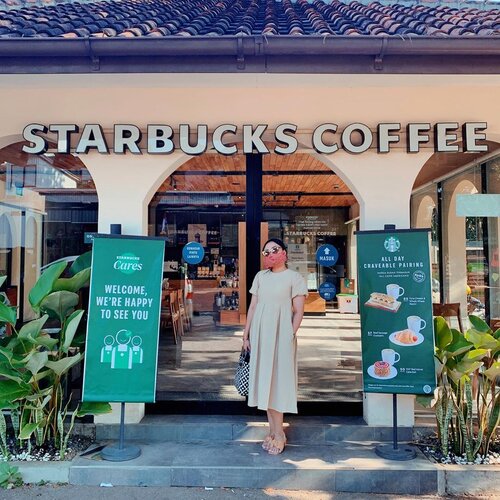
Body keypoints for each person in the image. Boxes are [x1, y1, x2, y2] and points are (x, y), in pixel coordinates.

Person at [242, 238, 307, 455]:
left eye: (275, 250)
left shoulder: (294, 278)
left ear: (284, 253)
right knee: (265, 383)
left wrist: (289, 334)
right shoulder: (260, 277)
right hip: (260, 336)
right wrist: (246, 335)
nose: (270, 254)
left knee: (277, 383)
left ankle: (279, 433)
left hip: (281, 337)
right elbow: (253, 307)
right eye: (266, 251)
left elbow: (298, 311)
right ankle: (272, 430)